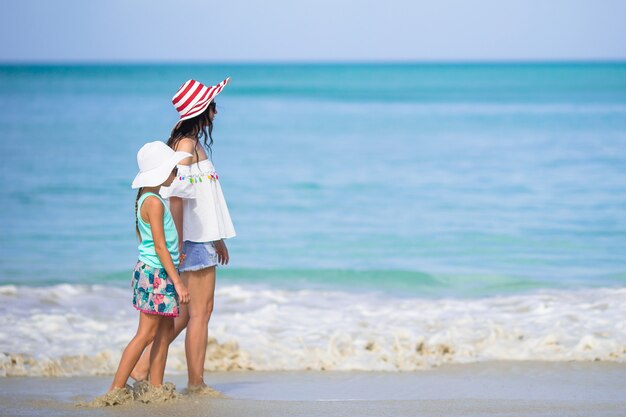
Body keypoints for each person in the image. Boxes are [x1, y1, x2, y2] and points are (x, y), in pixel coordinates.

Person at [131, 78, 236, 391]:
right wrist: (178, 246)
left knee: (187, 314)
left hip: (202, 239)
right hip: (193, 242)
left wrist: (217, 237)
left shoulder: (188, 143)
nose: (216, 112)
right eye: (212, 106)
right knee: (200, 313)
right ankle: (196, 383)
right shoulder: (187, 147)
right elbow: (176, 197)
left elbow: (201, 201)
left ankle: (142, 368)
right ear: (201, 110)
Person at [106, 141, 191, 397]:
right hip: (156, 275)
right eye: (172, 168)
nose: (175, 173)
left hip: (160, 271)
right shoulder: (152, 201)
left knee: (163, 334)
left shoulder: (151, 197)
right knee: (145, 334)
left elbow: (162, 245)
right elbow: (159, 247)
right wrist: (177, 281)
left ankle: (155, 388)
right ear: (159, 172)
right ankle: (115, 389)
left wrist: (177, 257)